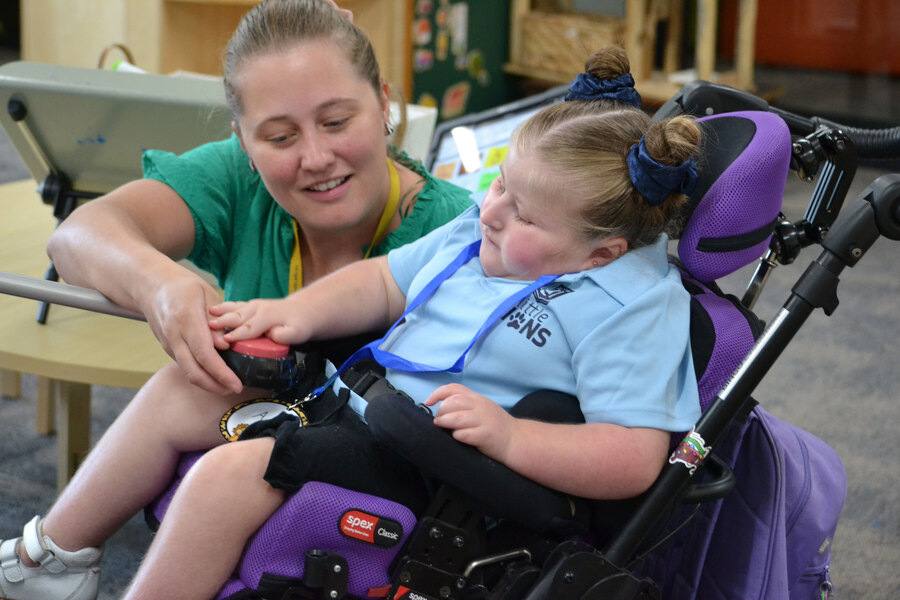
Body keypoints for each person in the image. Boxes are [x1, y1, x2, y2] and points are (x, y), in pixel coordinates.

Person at [116, 45, 704, 599]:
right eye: (501, 182)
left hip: (433, 469)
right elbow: (384, 281)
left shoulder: (633, 308)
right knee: (185, 388)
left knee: (229, 478)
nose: (491, 212)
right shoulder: (484, 229)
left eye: (523, 213)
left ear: (601, 253)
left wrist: (513, 437)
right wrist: (293, 312)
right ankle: (55, 554)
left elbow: (633, 456)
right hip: (358, 397)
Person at [0, 1, 471, 599]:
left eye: (336, 121)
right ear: (243, 143)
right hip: (284, 447)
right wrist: (159, 283)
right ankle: (46, 559)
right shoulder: (241, 180)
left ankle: (44, 561)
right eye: (279, 136)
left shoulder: (460, 232)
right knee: (190, 387)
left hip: (393, 482)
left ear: (384, 104)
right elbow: (78, 234)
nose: (315, 157)